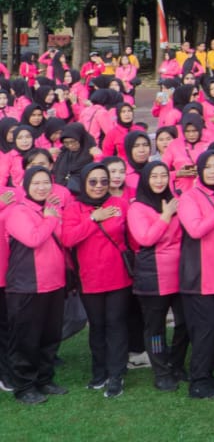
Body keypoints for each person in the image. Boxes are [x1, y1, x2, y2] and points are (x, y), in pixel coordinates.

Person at [61, 161, 133, 398]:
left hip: (119, 278)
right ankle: (99, 372)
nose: (99, 186)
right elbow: (68, 239)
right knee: (98, 327)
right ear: (83, 183)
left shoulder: (120, 204)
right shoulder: (74, 208)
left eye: (104, 181)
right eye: (93, 181)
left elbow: (131, 239)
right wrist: (94, 219)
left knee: (116, 325)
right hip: (89, 279)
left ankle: (116, 374)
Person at [177, 148, 214, 400]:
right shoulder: (190, 197)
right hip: (200, 277)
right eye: (209, 166)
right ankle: (198, 381)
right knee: (205, 329)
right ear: (200, 170)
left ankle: (208, 372)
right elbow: (195, 229)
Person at [5, 167, 69, 405]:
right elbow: (33, 238)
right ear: (27, 186)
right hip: (27, 287)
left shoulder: (49, 210)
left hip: (54, 284)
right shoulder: (18, 212)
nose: (42, 187)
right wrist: (52, 217)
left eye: (46, 183)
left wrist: (55, 217)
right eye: (36, 183)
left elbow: (63, 238)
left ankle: (44, 378)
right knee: (25, 339)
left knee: (49, 337)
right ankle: (24, 385)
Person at [127, 161, 188, 392]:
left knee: (185, 322)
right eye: (154, 176)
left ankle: (177, 363)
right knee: (155, 328)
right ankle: (161, 371)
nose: (160, 180)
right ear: (145, 180)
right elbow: (145, 238)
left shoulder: (175, 201)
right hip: (153, 276)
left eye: (163, 175)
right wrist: (166, 216)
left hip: (180, 273)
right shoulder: (137, 208)